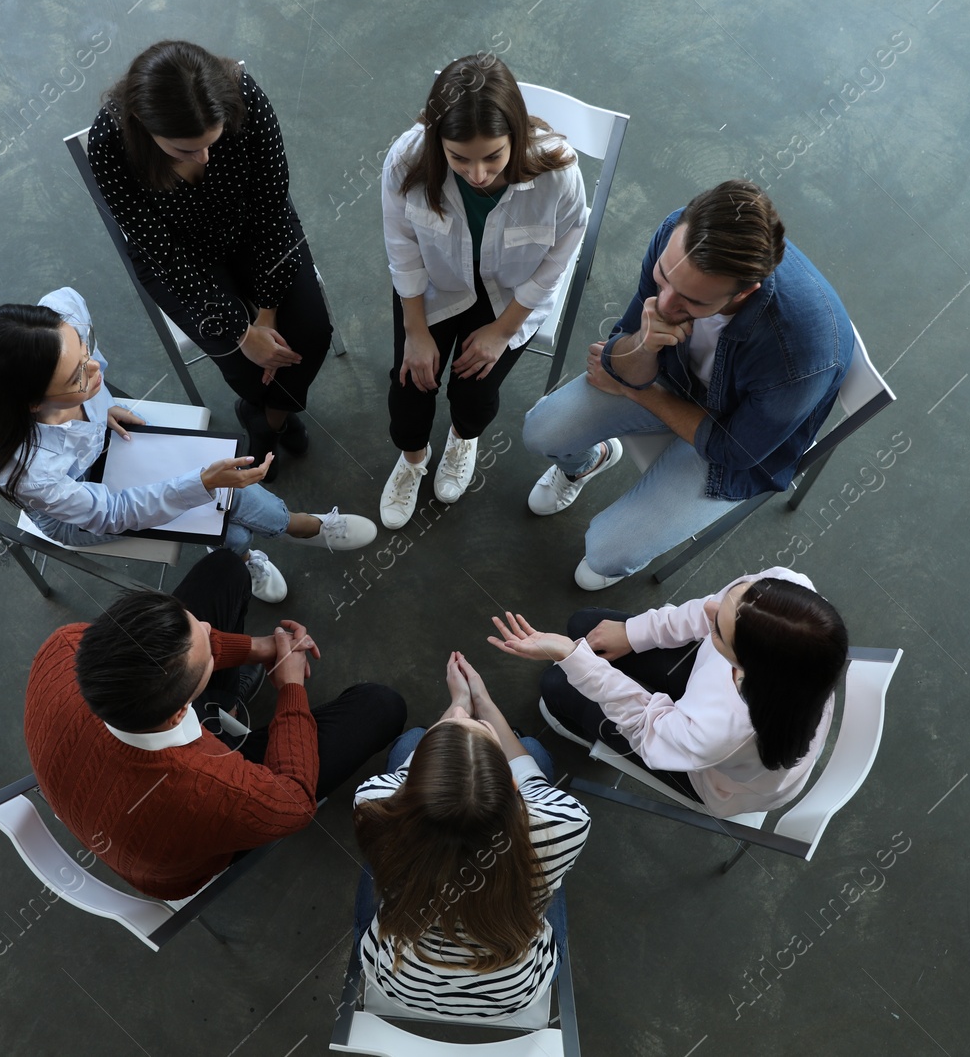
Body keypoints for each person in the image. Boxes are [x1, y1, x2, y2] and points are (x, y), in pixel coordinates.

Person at [521, 180, 853, 589]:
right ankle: (589, 461)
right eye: (663, 279)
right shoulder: (676, 234)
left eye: (691, 302)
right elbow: (624, 348)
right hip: (673, 377)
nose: (663, 306)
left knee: (604, 556)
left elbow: (734, 450)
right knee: (541, 431)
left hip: (735, 434)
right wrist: (642, 348)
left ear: (744, 292)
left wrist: (634, 389)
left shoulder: (804, 351)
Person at [25, 548, 407, 901]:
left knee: (225, 568)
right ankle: (226, 714)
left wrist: (260, 649)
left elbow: (194, 643)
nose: (208, 626)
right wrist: (291, 686)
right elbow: (293, 803)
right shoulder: (211, 791)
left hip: (94, 784)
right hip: (180, 842)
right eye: (208, 655)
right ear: (181, 712)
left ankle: (225, 703)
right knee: (383, 707)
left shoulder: (65, 647)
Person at [0, 288, 376, 603]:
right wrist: (201, 484)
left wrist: (101, 407)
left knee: (214, 501)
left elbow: (70, 301)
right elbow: (114, 514)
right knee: (213, 493)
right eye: (77, 377)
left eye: (84, 349)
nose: (94, 369)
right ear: (34, 402)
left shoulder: (62, 318)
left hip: (107, 445)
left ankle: (242, 556)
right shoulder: (30, 474)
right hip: (81, 514)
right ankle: (298, 526)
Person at [89, 40, 329, 480]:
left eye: (211, 143)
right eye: (184, 150)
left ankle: (265, 424)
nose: (202, 158)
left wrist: (268, 314)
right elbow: (159, 250)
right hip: (181, 259)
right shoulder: (109, 143)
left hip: (254, 228)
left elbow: (272, 208)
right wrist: (242, 331)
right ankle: (277, 416)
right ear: (143, 123)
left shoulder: (245, 96)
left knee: (310, 335)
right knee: (242, 365)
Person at [378, 54, 587, 528]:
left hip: (510, 296)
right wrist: (415, 329)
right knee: (410, 384)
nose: (478, 174)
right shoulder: (406, 161)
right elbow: (402, 248)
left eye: (493, 156)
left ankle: (461, 438)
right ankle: (412, 460)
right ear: (437, 142)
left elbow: (560, 255)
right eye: (459, 158)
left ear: (515, 132)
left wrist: (503, 330)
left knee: (475, 389)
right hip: (435, 285)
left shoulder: (559, 173)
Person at [488, 566, 848, 816]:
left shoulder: (721, 732)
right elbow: (708, 610)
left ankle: (576, 725)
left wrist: (571, 656)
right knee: (586, 626)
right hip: (708, 708)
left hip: (708, 774)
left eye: (718, 631)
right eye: (728, 600)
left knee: (556, 684)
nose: (709, 608)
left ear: (745, 665)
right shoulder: (783, 587)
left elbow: (648, 728)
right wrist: (635, 632)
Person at [352, 652, 589, 1017]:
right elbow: (534, 784)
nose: (466, 718)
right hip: (515, 992)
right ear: (513, 786)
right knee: (535, 752)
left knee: (409, 741)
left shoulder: (372, 801)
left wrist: (457, 705)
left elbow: (413, 769)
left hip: (397, 979)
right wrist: (486, 707)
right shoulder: (565, 825)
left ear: (410, 787)